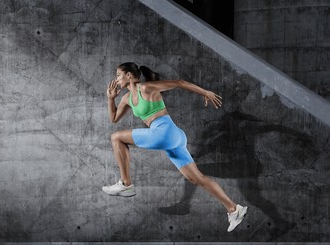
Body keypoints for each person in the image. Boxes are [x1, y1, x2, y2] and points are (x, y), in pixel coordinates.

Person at [102, 62, 248, 232]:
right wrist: (110, 98)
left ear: (128, 75)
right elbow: (113, 118)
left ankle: (126, 184)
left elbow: (179, 83)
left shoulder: (147, 88)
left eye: (118, 75)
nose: (116, 79)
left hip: (164, 132)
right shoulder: (126, 98)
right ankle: (234, 209)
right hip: (173, 138)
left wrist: (205, 92)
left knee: (116, 138)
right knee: (196, 178)